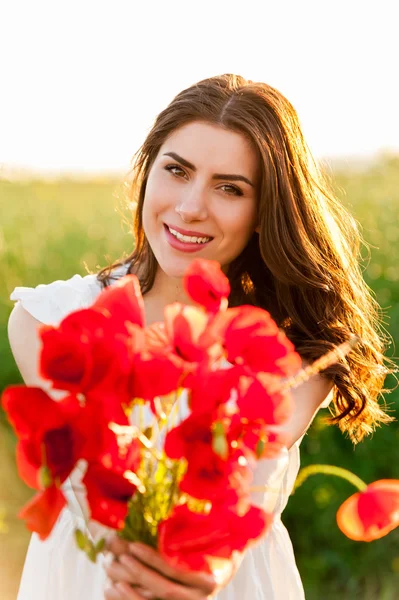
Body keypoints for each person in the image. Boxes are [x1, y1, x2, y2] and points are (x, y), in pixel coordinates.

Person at [7, 73, 394, 599]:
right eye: (176, 171)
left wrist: (204, 572)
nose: (191, 206)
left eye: (230, 188)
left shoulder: (293, 346)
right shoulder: (48, 319)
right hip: (83, 581)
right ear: (148, 172)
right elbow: (89, 474)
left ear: (264, 213)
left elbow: (243, 486)